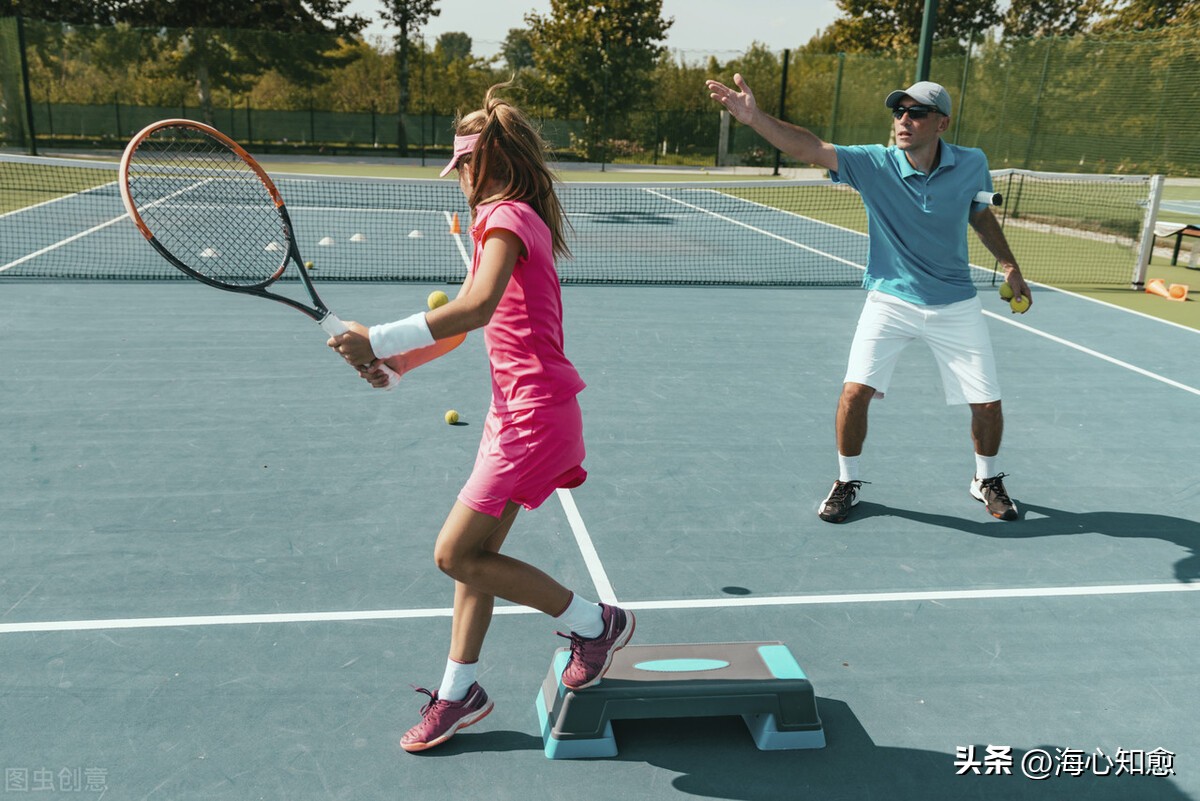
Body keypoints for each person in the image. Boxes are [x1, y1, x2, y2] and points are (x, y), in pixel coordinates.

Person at [327, 82, 634, 752]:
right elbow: (467, 323)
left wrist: (377, 338)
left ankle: (594, 621)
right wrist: (400, 365)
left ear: (487, 158)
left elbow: (477, 307)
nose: (459, 177)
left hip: (533, 418)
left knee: (453, 553)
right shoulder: (504, 217)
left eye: (463, 164)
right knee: (476, 560)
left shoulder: (507, 217)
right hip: (519, 415)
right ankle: (457, 692)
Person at [706, 74, 1029, 524]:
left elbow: (979, 213)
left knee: (988, 403)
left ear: (941, 123)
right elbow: (811, 147)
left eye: (917, 113)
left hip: (954, 303)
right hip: (890, 301)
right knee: (854, 393)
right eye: (899, 111)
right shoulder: (873, 164)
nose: (904, 120)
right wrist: (755, 118)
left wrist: (1010, 265)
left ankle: (985, 479)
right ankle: (846, 479)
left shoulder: (972, 163)